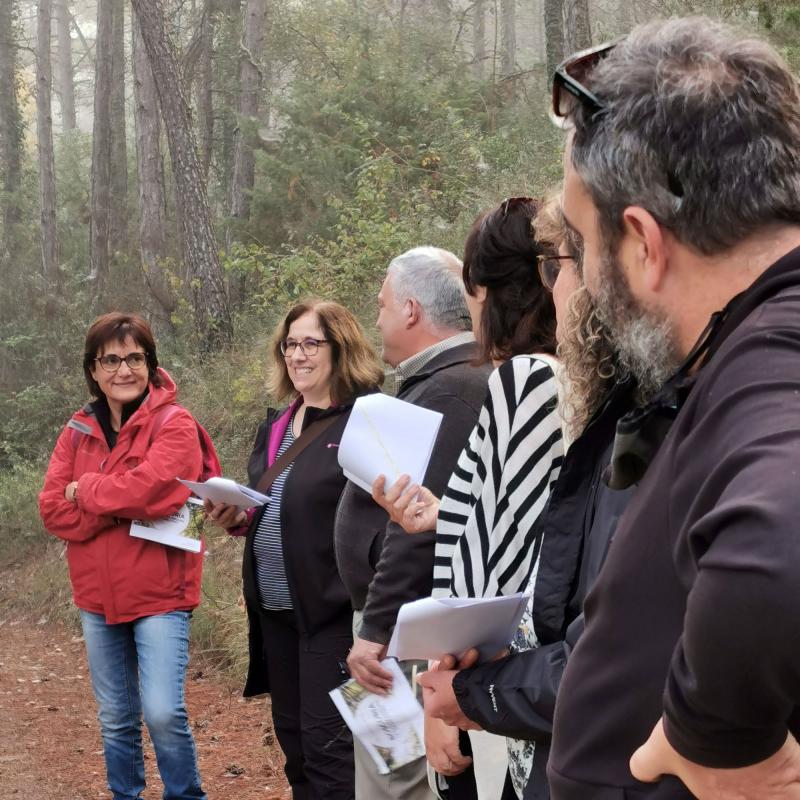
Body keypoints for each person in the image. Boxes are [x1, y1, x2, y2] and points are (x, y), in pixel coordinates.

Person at [543, 18, 800, 800]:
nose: (585, 279)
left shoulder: (775, 354)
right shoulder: (753, 340)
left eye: (584, 244)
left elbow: (779, 543)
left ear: (645, 244)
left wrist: (715, 739)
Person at [370, 198, 566, 800]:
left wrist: (441, 697)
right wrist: (445, 513)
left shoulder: (526, 380)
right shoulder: (557, 372)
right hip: (517, 680)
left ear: (487, 293)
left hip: (499, 688)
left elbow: (495, 570)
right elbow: (521, 519)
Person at [205, 300, 383, 800]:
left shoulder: (364, 420)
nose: (297, 355)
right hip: (275, 614)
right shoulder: (277, 427)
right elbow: (276, 506)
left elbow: (379, 516)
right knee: (296, 747)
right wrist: (237, 517)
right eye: (290, 344)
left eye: (311, 343)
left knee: (331, 752)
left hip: (330, 612)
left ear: (339, 348)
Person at [38, 312, 219, 800]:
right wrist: (115, 507)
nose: (124, 369)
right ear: (93, 370)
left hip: (161, 591)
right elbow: (53, 509)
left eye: (135, 358)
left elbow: (158, 489)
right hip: (96, 595)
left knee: (162, 711)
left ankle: (185, 795)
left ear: (150, 363)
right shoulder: (78, 429)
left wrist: (89, 490)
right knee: (116, 716)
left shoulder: (175, 423)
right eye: (111, 359)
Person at [334, 246, 492, 800]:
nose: (375, 319)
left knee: (396, 784)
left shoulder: (450, 389)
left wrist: (374, 632)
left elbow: (414, 525)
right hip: (407, 625)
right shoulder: (446, 381)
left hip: (407, 632)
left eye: (380, 306)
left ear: (409, 309)